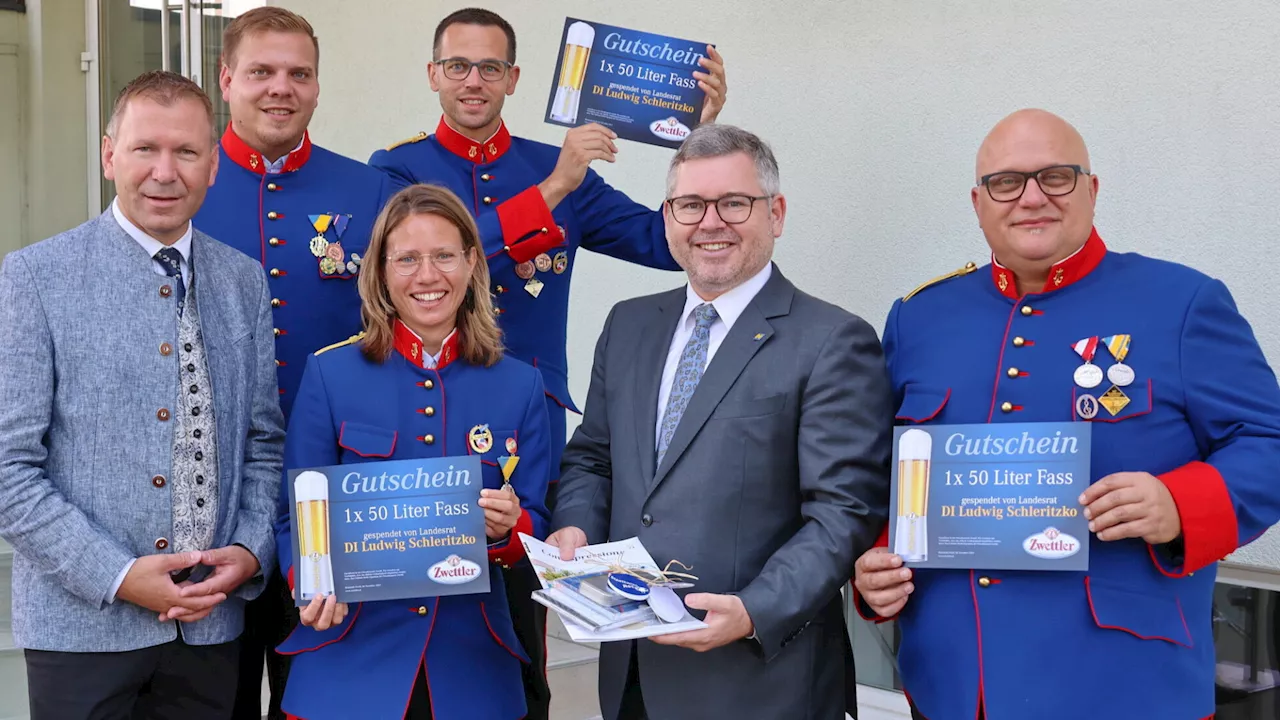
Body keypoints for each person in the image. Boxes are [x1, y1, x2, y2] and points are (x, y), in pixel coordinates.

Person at [852, 108, 1280, 720]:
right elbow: (887, 470)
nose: (1031, 197)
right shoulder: (919, 317)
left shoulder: (1181, 302)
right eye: (1007, 182)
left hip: (1122, 686)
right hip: (954, 685)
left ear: (1092, 189)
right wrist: (877, 561)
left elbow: (1269, 441)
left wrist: (1180, 504)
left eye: (1056, 176)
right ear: (978, 202)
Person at [367, 9, 728, 715]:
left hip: (525, 428)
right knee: (415, 621)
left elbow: (668, 242)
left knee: (519, 628)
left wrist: (701, 143)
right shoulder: (399, 167)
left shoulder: (550, 162)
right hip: (415, 414)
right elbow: (427, 272)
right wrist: (554, 190)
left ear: (515, 78)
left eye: (491, 67)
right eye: (460, 66)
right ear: (434, 74)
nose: (475, 81)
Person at [548, 123, 893, 720]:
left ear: (775, 213)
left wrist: (756, 608)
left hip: (759, 682)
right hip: (631, 673)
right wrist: (574, 528)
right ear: (668, 217)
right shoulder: (628, 325)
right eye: (690, 205)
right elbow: (593, 457)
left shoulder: (832, 340)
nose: (710, 223)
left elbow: (844, 513)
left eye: (734, 203)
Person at [0, 70, 284, 720]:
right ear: (108, 156)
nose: (165, 171)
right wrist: (119, 576)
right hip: (81, 632)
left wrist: (246, 551)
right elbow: (8, 468)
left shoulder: (243, 282)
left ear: (213, 165)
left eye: (186, 152)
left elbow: (263, 444)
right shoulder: (36, 278)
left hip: (211, 633)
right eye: (144, 149)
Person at [271, 184, 552, 720]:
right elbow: (295, 515)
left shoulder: (520, 385)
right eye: (407, 259)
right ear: (380, 271)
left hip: (471, 666)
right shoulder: (330, 374)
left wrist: (507, 531)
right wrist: (309, 584)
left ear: (472, 263)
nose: (428, 276)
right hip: (349, 658)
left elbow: (534, 519)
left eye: (445, 255)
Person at [192, 9, 392, 717]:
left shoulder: (366, 192)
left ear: (316, 86)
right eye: (262, 72)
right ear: (226, 80)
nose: (281, 88)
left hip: (333, 492)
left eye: (298, 73)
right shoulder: (181, 187)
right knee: (219, 695)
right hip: (209, 499)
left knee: (323, 695)